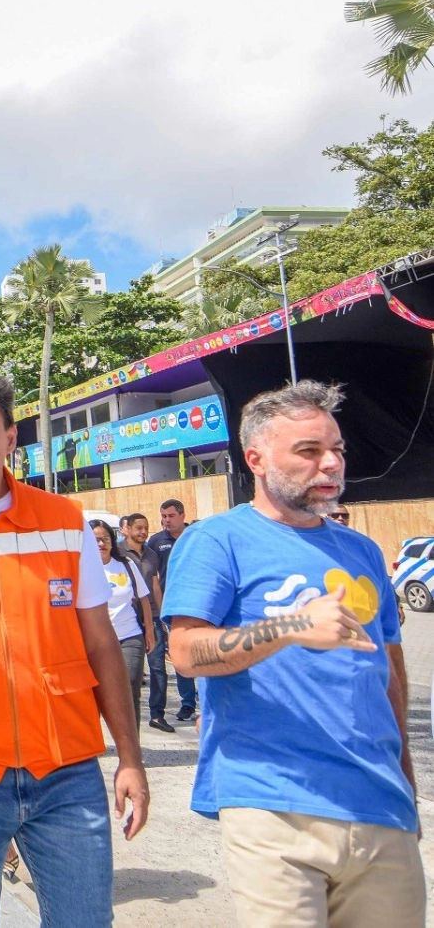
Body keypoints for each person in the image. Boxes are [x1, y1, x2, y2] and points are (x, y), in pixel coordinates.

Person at [163, 381, 424, 927]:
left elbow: (389, 673)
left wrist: (405, 783)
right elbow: (185, 653)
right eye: (308, 451)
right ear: (255, 459)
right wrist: (291, 626)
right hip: (272, 801)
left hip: (378, 803)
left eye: (338, 450)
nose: (331, 464)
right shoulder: (216, 541)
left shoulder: (362, 550)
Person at [0, 371, 149, 928]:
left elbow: (102, 645)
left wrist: (130, 759)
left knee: (86, 920)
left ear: (12, 438)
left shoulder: (63, 521)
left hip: (67, 773)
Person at [90, 519, 156, 728]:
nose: (101, 544)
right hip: (95, 641)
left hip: (129, 636)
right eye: (96, 540)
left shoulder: (126, 564)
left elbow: (143, 598)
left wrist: (150, 631)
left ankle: (132, 748)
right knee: (94, 694)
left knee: (128, 690)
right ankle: (95, 744)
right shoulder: (79, 568)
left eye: (105, 539)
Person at [121, 512, 174, 733]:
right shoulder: (118, 553)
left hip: (151, 616)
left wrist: (162, 617)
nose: (143, 532)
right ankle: (124, 718)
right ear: (128, 528)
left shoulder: (152, 555)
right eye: (139, 528)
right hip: (128, 619)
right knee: (130, 674)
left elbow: (155, 586)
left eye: (146, 528)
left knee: (158, 668)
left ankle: (157, 715)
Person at [148, 498, 197, 721]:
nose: (166, 520)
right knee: (180, 655)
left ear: (182, 515)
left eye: (171, 516)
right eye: (164, 516)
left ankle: (207, 700)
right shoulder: (156, 541)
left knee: (204, 653)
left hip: (198, 603)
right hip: (171, 606)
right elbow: (152, 575)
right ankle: (187, 703)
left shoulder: (196, 535)